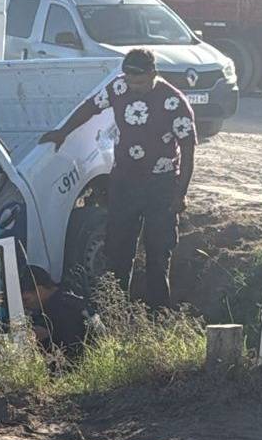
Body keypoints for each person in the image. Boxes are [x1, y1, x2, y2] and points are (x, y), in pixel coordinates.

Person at [40, 49, 197, 309]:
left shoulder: (174, 103)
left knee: (158, 252)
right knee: (117, 250)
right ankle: (115, 311)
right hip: (124, 181)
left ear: (153, 74)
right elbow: (90, 108)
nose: (133, 88)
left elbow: (189, 152)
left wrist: (180, 194)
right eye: (130, 81)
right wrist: (62, 132)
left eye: (139, 82)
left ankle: (158, 314)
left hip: (161, 185)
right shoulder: (119, 88)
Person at [19, 265, 95, 356]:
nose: (24, 305)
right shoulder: (62, 296)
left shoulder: (64, 307)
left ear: (39, 290)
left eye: (26, 300)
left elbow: (74, 345)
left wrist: (48, 335)